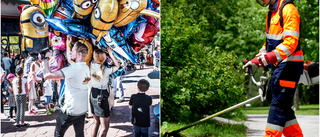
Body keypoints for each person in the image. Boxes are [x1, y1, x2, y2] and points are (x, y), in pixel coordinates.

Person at [243, 0, 304, 136]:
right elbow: (270, 44)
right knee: (283, 107)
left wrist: (270, 57)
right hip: (280, 67)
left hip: (289, 67)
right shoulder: (273, 12)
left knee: (278, 107)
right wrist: (256, 61)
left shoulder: (288, 10)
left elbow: (291, 42)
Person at [43, 35, 91, 137]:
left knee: (58, 134)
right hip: (82, 110)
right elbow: (70, 60)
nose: (70, 53)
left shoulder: (72, 70)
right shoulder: (86, 68)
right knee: (80, 134)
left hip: (69, 111)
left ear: (79, 54)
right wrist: (68, 44)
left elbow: (47, 75)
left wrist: (46, 58)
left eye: (72, 51)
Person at [90, 48, 119, 137]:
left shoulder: (90, 66)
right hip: (102, 95)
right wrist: (111, 54)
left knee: (96, 123)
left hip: (93, 94)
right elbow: (117, 66)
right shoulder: (106, 70)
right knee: (105, 126)